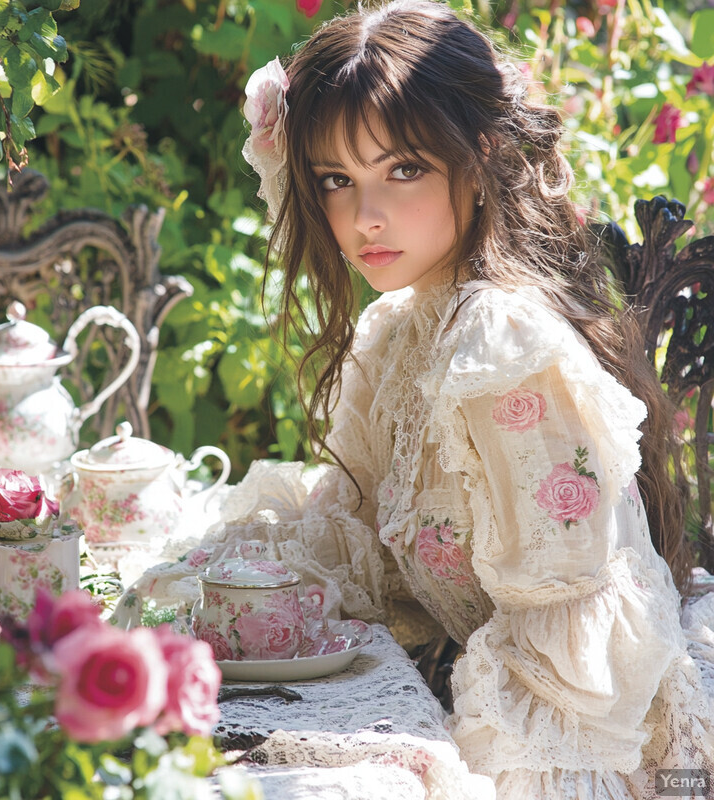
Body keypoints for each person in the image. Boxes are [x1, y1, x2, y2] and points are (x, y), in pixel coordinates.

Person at [127, 1, 714, 796]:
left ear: (478, 160)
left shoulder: (500, 342)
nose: (365, 217)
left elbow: (576, 672)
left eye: (404, 169)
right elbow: (358, 545)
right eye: (336, 180)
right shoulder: (400, 328)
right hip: (482, 700)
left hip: (590, 748)